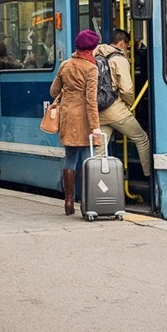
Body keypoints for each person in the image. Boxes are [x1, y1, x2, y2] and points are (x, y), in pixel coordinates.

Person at [49, 29, 105, 215]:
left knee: (70, 158)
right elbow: (91, 100)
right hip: (84, 119)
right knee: (88, 159)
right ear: (90, 49)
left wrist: (68, 91)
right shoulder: (91, 68)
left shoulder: (65, 65)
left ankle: (68, 201)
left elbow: (53, 91)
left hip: (67, 117)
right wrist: (96, 127)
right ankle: (87, 203)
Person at [96, 28, 153, 178]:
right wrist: (130, 104)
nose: (128, 48)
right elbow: (127, 89)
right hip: (116, 110)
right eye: (127, 45)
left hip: (99, 109)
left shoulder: (98, 55)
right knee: (142, 138)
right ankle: (149, 175)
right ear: (121, 42)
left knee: (100, 151)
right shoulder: (119, 59)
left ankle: (97, 182)